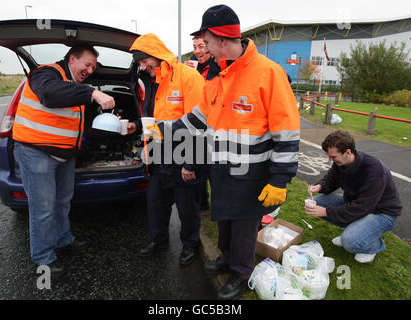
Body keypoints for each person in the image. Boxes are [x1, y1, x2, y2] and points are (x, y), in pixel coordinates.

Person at [171, 5, 300, 299]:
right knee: (226, 219)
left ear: (222, 39)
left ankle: (241, 272)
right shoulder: (218, 74)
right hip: (223, 168)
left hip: (252, 172)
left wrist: (280, 180)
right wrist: (166, 131)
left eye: (206, 43)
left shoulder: (269, 73)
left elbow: (287, 132)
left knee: (244, 226)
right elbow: (201, 116)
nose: (204, 50)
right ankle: (228, 259)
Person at [13, 45, 115, 276]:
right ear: (72, 59)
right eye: (87, 64)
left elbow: (75, 125)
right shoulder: (45, 74)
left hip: (64, 155)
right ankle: (43, 257)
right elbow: (49, 95)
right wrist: (93, 93)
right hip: (36, 151)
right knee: (43, 209)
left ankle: (62, 239)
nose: (90, 70)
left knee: (62, 202)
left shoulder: (74, 86)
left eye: (94, 66)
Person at [127, 33, 205, 266]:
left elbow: (200, 123)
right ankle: (158, 240)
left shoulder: (188, 77)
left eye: (143, 61)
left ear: (155, 56)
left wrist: (191, 163)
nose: (142, 66)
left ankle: (190, 245)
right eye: (139, 63)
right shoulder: (151, 83)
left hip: (184, 158)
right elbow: (152, 122)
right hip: (159, 158)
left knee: (187, 208)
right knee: (156, 203)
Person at [305, 130, 402, 263]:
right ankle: (356, 230)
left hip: (383, 213)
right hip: (358, 204)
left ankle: (372, 246)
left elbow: (362, 207)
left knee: (350, 241)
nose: (330, 160)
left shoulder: (374, 171)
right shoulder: (340, 162)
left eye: (333, 157)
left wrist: (326, 212)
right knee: (316, 203)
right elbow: (331, 179)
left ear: (348, 152)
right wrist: (319, 186)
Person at [185, 36, 214, 211]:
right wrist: (187, 74)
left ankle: (214, 203)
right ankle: (203, 202)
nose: (197, 51)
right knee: (199, 165)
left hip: (214, 125)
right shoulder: (191, 65)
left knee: (213, 167)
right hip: (195, 121)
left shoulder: (217, 67)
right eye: (195, 47)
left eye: (201, 46)